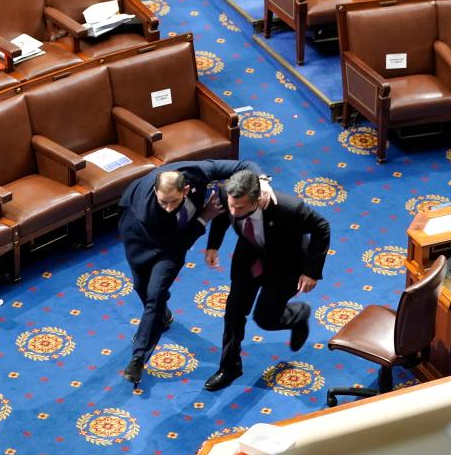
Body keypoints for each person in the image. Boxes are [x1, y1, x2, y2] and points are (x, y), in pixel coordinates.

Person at [117, 160, 273, 388]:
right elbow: (177, 243)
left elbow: (244, 164)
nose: (169, 207)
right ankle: (161, 317)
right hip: (140, 237)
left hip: (172, 248)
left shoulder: (196, 172)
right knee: (141, 286)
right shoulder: (148, 210)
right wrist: (203, 218)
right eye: (163, 202)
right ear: (154, 192)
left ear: (186, 189)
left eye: (174, 201)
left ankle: (138, 358)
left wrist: (262, 181)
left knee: (155, 293)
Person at [202, 169, 330, 391]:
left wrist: (311, 271)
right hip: (249, 260)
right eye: (232, 205)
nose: (234, 210)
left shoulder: (289, 208)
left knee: (266, 319)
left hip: (285, 266)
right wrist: (213, 244)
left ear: (257, 200)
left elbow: (322, 227)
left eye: (240, 208)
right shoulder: (227, 195)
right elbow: (223, 215)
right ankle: (230, 367)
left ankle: (299, 315)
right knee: (233, 312)